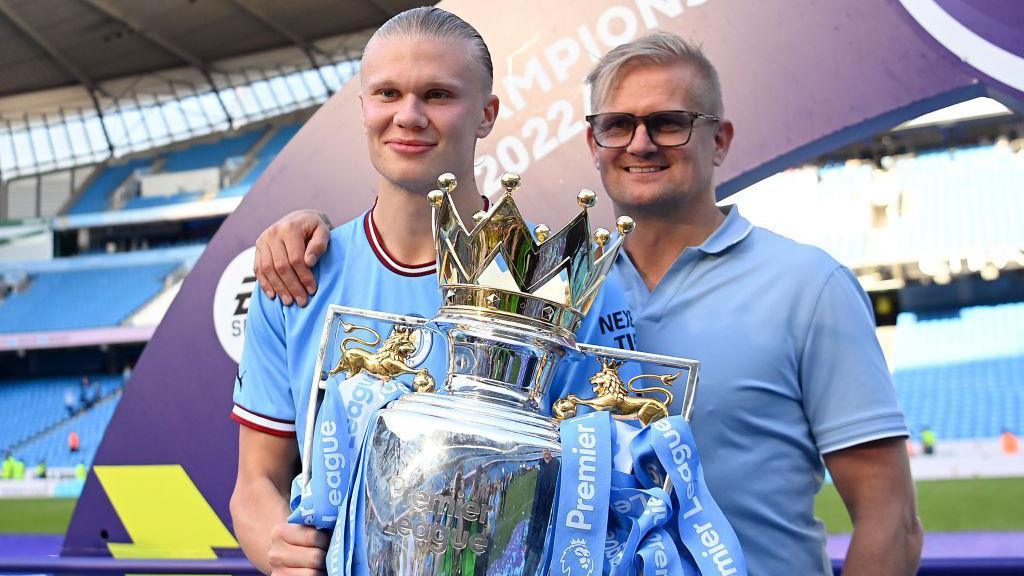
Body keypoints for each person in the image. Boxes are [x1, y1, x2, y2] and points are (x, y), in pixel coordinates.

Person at [256, 31, 924, 576]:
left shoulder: (809, 287)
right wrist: (302, 229)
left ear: (719, 140)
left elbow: (890, 517)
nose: (640, 143)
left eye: (669, 123)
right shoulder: (547, 289)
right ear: (592, 144)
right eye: (617, 125)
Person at [229, 8, 637, 576]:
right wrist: (278, 547)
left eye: (438, 94)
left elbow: (615, 495)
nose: (409, 116)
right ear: (363, 108)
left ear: (487, 114)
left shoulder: (569, 288)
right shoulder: (294, 278)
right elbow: (256, 482)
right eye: (388, 93)